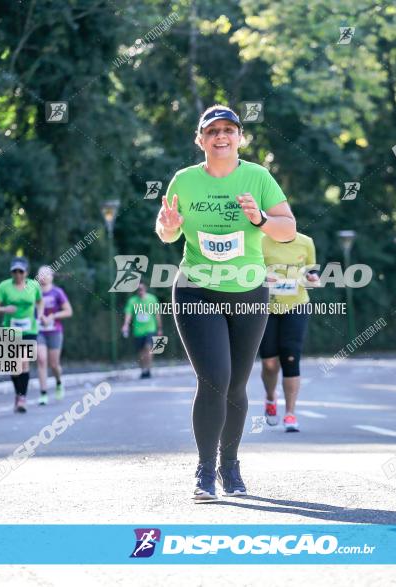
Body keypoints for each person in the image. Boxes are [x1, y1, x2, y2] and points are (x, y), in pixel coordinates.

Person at [156, 104, 296, 501]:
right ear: (200, 139)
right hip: (196, 289)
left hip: (249, 293)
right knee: (214, 379)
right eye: (212, 130)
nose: (221, 136)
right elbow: (166, 231)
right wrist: (167, 227)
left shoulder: (258, 177)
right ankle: (204, 472)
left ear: (239, 138)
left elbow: (288, 231)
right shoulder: (183, 180)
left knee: (236, 384)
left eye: (228, 130)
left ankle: (230, 466)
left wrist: (261, 221)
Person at [259, 232, 319, 432]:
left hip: (296, 306)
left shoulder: (306, 242)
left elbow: (312, 272)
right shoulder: (260, 240)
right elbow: (247, 272)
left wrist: (312, 278)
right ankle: (270, 397)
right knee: (269, 362)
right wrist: (262, 277)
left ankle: (290, 414)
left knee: (291, 357)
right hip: (266, 308)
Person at [0, 257, 43, 413]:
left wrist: (39, 315)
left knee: (24, 362)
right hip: (11, 330)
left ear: (26, 272)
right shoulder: (4, 286)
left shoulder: (33, 285)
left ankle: (22, 398)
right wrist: (4, 309)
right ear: (11, 272)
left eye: (21, 271)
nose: (18, 274)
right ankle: (18, 393)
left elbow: (40, 301)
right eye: (15, 271)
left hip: (29, 330)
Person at [35, 266, 72, 404]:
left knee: (54, 364)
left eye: (46, 274)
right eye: (40, 274)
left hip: (55, 331)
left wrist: (53, 316)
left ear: (52, 277)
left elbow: (68, 311)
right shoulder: (33, 293)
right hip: (39, 331)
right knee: (41, 359)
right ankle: (43, 393)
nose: (43, 277)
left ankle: (58, 382)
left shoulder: (57, 292)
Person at [121, 282, 162, 379]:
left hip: (150, 328)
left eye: (142, 289)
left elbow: (157, 314)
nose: (140, 291)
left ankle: (148, 369)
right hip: (138, 331)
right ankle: (143, 369)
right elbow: (128, 314)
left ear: (145, 289)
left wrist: (160, 328)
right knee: (141, 351)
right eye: (138, 289)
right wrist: (126, 325)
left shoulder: (152, 299)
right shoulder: (132, 301)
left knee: (148, 347)